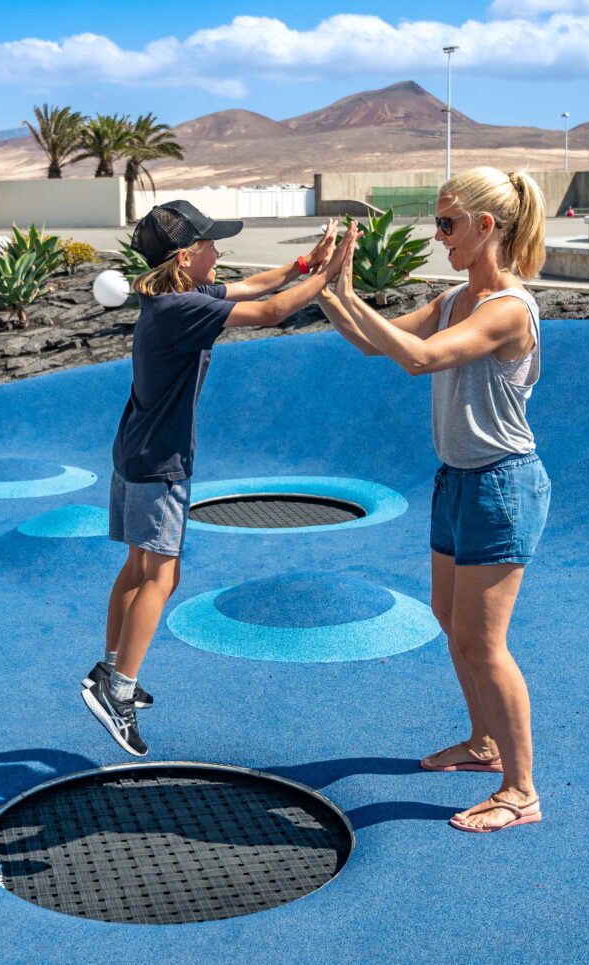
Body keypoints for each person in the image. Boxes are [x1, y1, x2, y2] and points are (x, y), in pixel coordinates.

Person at [317, 168, 550, 833]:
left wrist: (344, 290)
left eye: (448, 224)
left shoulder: (506, 308)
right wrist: (331, 289)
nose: (439, 235)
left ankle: (522, 788)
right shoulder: (455, 299)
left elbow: (418, 359)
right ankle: (483, 745)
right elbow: (374, 341)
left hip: (502, 485)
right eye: (437, 223)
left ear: (487, 226)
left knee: (485, 642)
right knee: (452, 623)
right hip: (456, 480)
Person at [83, 201, 345, 757]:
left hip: (135, 451)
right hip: (159, 462)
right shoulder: (182, 307)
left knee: (138, 568)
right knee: (162, 578)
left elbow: (254, 285)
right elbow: (272, 313)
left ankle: (109, 671)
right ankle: (119, 693)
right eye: (211, 246)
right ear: (186, 256)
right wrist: (328, 278)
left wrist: (305, 263)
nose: (219, 254)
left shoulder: (172, 296)